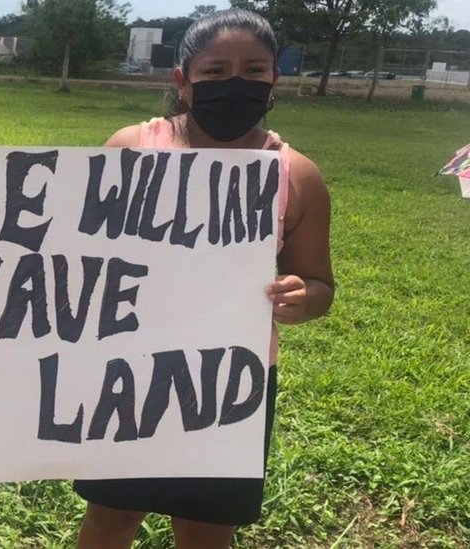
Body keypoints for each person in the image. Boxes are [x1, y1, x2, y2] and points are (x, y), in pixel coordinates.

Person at [73, 9, 335, 549]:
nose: (234, 84)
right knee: (112, 515)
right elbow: (79, 257)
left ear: (273, 82)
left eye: (253, 71)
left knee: (208, 527)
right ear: (182, 81)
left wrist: (302, 298)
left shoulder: (295, 174)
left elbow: (318, 283)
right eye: (214, 72)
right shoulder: (132, 148)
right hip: (130, 367)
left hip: (230, 381)